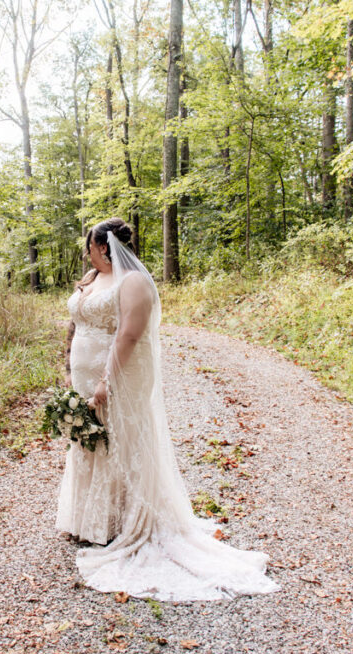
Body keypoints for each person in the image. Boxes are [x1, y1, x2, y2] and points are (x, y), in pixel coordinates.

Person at [55, 217, 279, 601]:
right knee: (91, 441)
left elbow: (129, 333)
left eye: (90, 245)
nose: (86, 250)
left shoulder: (134, 282)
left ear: (104, 246)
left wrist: (107, 381)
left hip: (121, 376)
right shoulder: (91, 278)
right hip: (83, 377)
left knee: (121, 440)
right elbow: (77, 323)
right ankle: (92, 521)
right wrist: (68, 365)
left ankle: (126, 523)